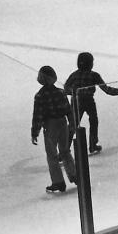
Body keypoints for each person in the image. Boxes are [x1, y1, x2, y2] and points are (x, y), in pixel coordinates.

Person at [64, 52, 118, 155]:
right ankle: (92, 145)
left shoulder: (74, 75)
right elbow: (107, 90)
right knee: (93, 122)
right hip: (88, 101)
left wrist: (75, 92)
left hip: (76, 101)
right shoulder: (94, 75)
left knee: (73, 125)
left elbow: (66, 89)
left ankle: (64, 151)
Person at [31, 65, 76, 194]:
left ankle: (58, 182)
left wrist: (35, 132)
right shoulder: (61, 92)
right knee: (65, 151)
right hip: (62, 122)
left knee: (52, 155)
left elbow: (38, 115)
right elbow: (68, 109)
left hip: (50, 125)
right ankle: (74, 175)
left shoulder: (40, 96)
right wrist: (72, 122)